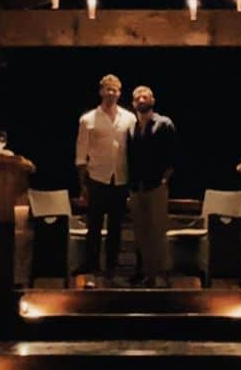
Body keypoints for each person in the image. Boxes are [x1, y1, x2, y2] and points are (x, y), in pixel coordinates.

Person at [75, 73, 135, 285]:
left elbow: (133, 150)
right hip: (97, 176)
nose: (111, 93)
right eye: (107, 89)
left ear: (119, 93)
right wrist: (83, 185)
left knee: (116, 226)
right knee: (94, 225)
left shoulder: (129, 118)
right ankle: (92, 266)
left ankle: (111, 267)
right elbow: (81, 154)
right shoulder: (88, 119)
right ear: (101, 91)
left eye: (115, 90)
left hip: (120, 178)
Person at [127, 84, 178, 287]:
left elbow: (174, 154)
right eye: (137, 97)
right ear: (133, 103)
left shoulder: (164, 123)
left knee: (157, 232)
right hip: (136, 186)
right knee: (140, 233)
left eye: (145, 96)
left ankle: (157, 275)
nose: (141, 99)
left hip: (156, 185)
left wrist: (165, 178)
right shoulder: (131, 127)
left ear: (152, 101)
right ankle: (142, 272)